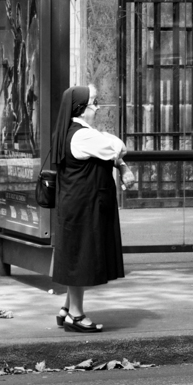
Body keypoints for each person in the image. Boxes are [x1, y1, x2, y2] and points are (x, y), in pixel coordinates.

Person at [50, 84, 136, 332]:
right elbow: (118, 147)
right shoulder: (84, 136)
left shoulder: (75, 132)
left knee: (76, 254)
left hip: (76, 203)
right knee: (81, 257)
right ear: (81, 109)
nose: (97, 108)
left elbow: (109, 146)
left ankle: (67, 308)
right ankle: (76, 315)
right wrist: (114, 146)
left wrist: (109, 143)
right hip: (84, 205)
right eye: (94, 103)